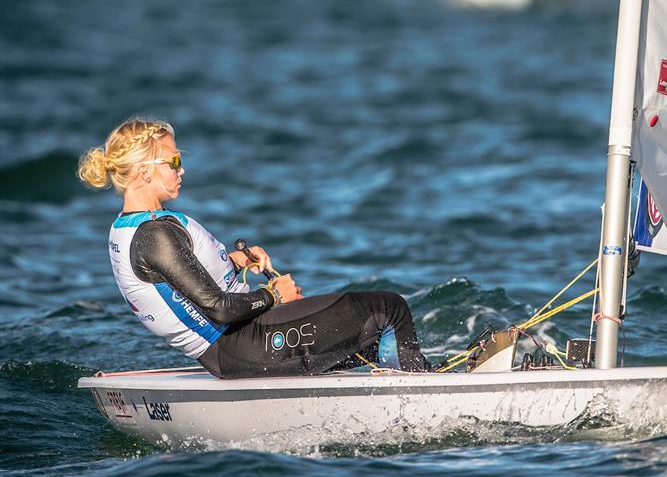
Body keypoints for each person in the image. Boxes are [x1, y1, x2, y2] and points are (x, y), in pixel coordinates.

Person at [77, 117, 429, 378]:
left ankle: (408, 378)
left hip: (240, 343)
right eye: (173, 161)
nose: (181, 169)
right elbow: (219, 308)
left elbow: (181, 282)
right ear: (142, 171)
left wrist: (236, 260)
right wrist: (274, 294)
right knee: (387, 309)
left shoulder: (136, 227)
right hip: (244, 344)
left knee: (366, 340)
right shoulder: (154, 236)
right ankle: (424, 393)